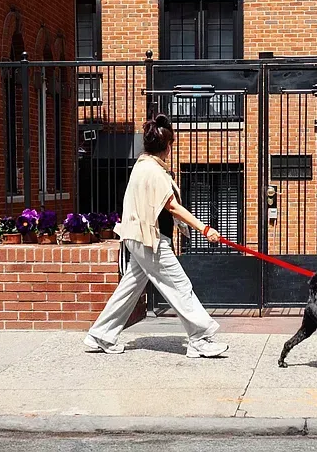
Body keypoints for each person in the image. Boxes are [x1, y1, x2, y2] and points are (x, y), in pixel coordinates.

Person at [84, 114, 230, 358]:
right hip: (150, 239)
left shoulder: (142, 167)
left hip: (138, 237)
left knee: (131, 285)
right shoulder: (153, 171)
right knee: (179, 285)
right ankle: (200, 338)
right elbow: (171, 206)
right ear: (168, 147)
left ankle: (101, 334)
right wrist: (205, 228)